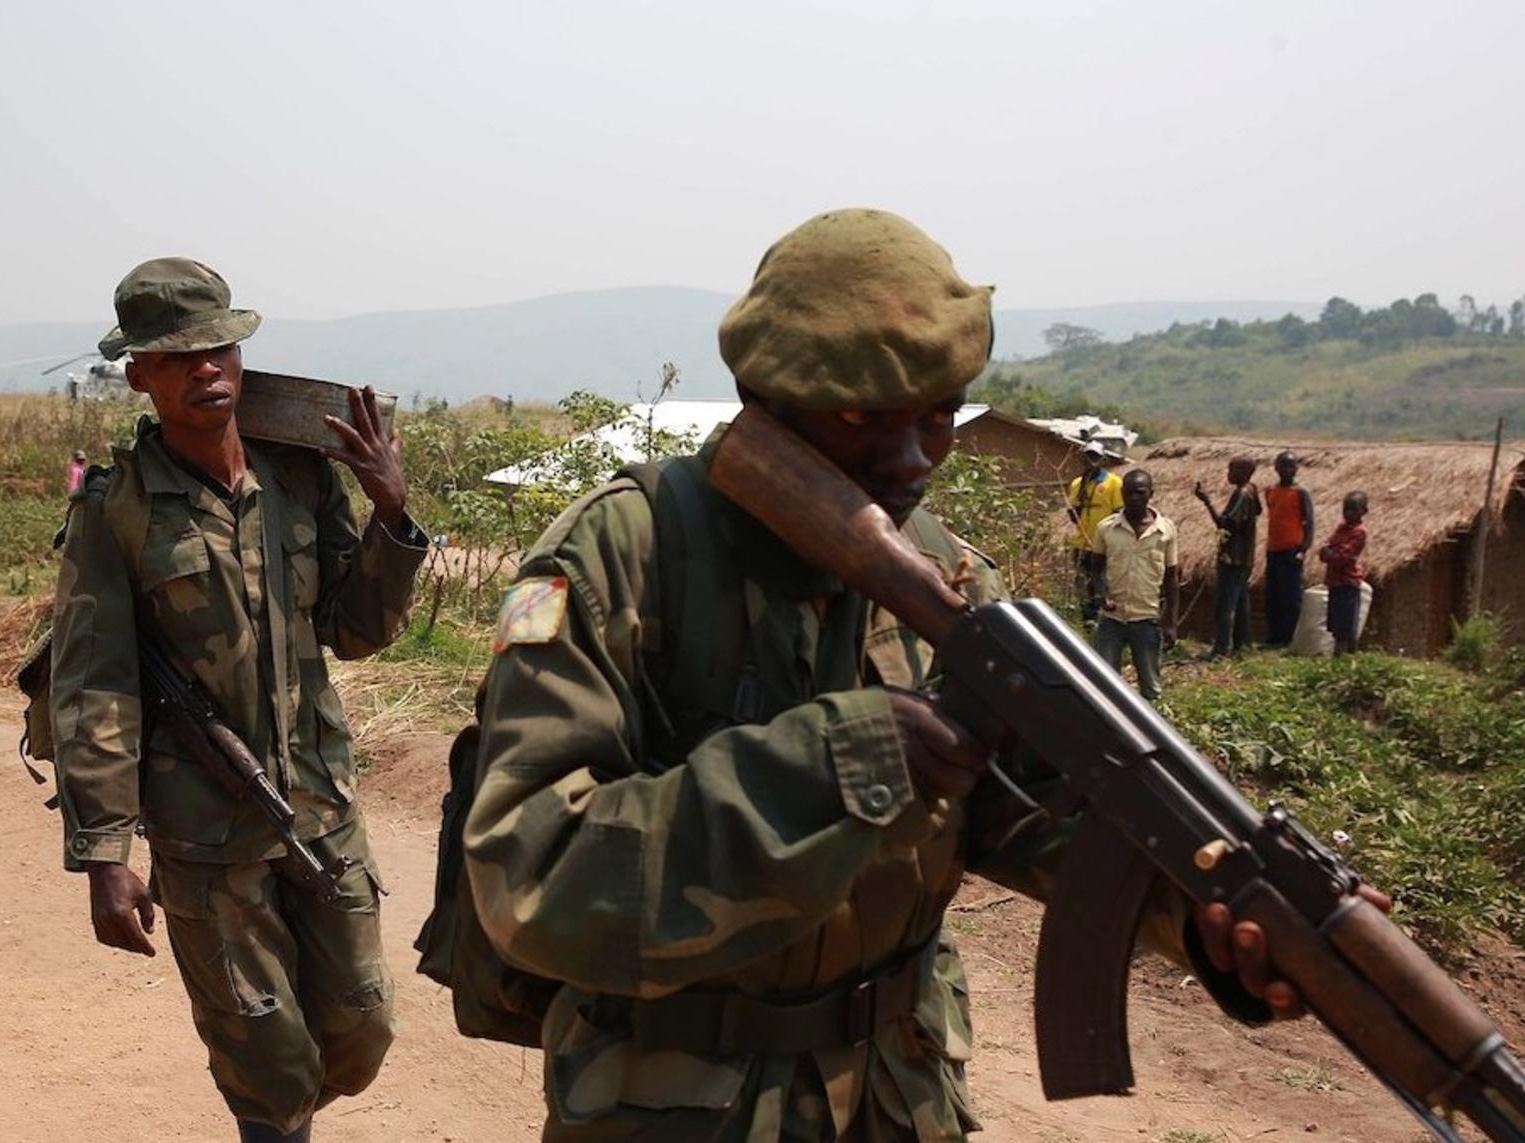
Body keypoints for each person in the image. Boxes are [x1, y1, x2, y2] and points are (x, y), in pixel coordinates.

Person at [462, 210, 1337, 1141]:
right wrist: (839, 764)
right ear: (759, 394)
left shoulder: (945, 574)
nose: (913, 455)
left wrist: (1204, 917)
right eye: (860, 417)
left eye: (935, 413)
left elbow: (1040, 811)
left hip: (899, 1094)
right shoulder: (618, 556)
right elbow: (532, 876)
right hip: (671, 1101)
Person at [48, 257, 427, 1142]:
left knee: (362, 1031)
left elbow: (358, 627)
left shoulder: (298, 477)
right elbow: (93, 683)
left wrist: (392, 516)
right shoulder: (115, 510)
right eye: (177, 357)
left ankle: (283, 1103)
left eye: (218, 347)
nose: (205, 367)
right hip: (203, 827)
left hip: (320, 803)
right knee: (266, 1064)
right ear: (138, 374)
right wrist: (105, 851)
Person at [1093, 468, 1178, 701]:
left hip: (1147, 618)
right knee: (1104, 685)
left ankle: (1151, 732)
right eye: (1129, 493)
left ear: (1151, 493)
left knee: (1151, 687)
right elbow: (1095, 569)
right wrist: (1102, 593)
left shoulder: (1166, 531)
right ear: (1121, 493)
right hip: (1112, 619)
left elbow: (1172, 578)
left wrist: (1170, 621)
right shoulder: (1106, 528)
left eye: (1140, 493)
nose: (1134, 498)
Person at [1193, 456, 1261, 658]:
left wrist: (1207, 502)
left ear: (1244, 472)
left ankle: (1221, 649)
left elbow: (1225, 524)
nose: (1228, 474)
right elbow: (1257, 511)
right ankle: (1243, 645)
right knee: (1241, 604)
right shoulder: (1252, 490)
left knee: (1226, 605)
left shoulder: (1242, 493)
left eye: (1232, 470)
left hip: (1234, 557)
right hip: (1244, 557)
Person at [1065, 440, 1124, 621]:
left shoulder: (1113, 482)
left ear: (1102, 459)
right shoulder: (1077, 484)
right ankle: (1087, 622)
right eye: (1087, 456)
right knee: (1083, 586)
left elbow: (1118, 513)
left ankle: (1103, 621)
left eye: (1094, 457)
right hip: (1082, 544)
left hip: (1103, 545)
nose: (1090, 461)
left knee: (1102, 586)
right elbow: (1074, 515)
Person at [1261, 450, 1314, 646]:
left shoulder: (1301, 492)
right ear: (1276, 468)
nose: (1287, 470)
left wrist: (1303, 550)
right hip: (1273, 549)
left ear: (1296, 468)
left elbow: (1309, 522)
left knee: (1291, 598)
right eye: (1283, 465)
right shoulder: (1271, 491)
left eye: (1291, 466)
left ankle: (1289, 639)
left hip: (1292, 550)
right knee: (1273, 596)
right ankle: (1273, 637)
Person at [1318, 491, 1370, 655]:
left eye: (1354, 509)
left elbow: (1343, 556)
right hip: (1335, 581)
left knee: (1346, 626)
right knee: (1336, 625)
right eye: (1346, 509)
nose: (1348, 513)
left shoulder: (1359, 532)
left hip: (1348, 582)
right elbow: (1325, 549)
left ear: (1363, 511)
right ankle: (1341, 658)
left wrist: (1329, 554)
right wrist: (1328, 553)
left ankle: (1343, 660)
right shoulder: (1341, 529)